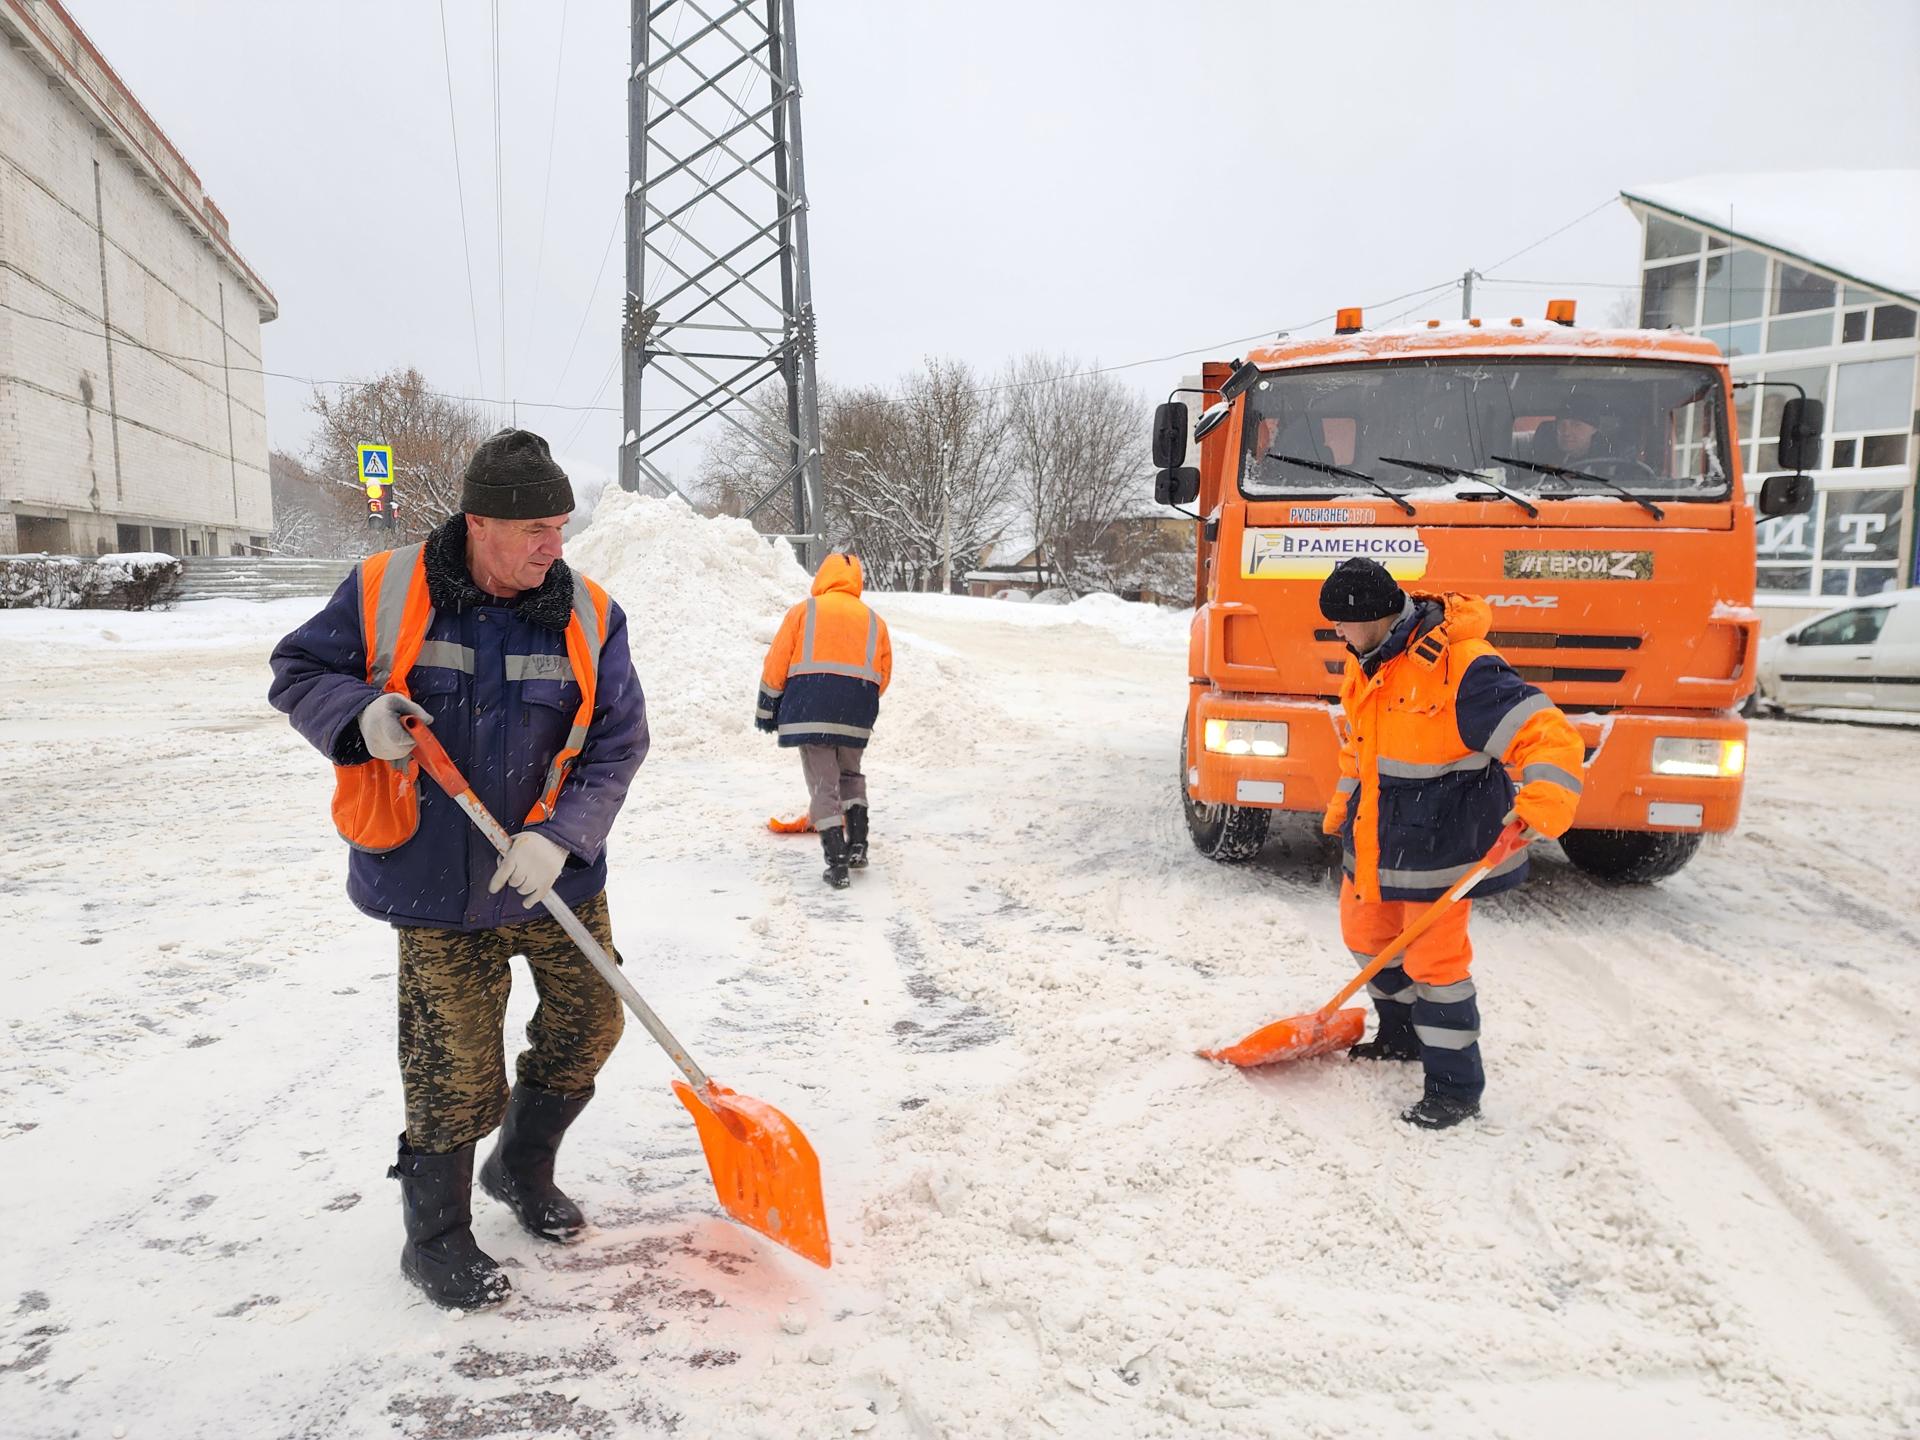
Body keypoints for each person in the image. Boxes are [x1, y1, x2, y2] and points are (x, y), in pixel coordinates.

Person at [268, 429, 648, 1310]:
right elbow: (299, 669)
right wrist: (360, 716)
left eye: (560, 526)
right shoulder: (384, 588)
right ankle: (434, 1238)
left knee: (592, 1022)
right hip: (434, 879)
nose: (554, 546)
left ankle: (519, 1168)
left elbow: (618, 739)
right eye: (535, 529)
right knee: (452, 1066)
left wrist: (562, 835)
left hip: (552, 877)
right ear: (479, 523)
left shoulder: (590, 612)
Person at [1318, 557, 1583, 1129]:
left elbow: (1549, 734)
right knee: (1367, 939)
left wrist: (1543, 803)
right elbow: (1359, 750)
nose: (1336, 632)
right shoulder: (1366, 662)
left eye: (1341, 621)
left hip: (1440, 846)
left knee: (1435, 967)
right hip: (1373, 839)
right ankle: (1401, 1037)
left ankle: (1454, 1088)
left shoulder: (1462, 666)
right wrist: (1341, 807)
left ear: (1375, 615)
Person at [755, 553, 892, 889]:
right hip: (856, 712)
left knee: (823, 783)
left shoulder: (804, 612)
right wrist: (857, 700)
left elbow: (777, 662)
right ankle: (858, 845)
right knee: (850, 775)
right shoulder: (874, 621)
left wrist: (767, 709)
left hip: (811, 710)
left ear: (823, 577)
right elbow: (883, 674)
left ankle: (837, 862)